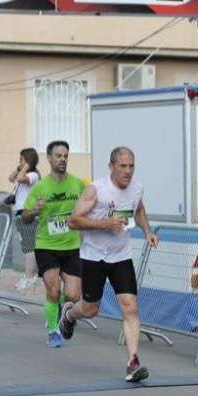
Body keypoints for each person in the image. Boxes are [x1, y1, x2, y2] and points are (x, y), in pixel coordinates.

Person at [58, 146, 159, 383]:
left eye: (131, 166)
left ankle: (132, 363)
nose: (128, 171)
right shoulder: (97, 190)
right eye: (123, 166)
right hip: (94, 256)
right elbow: (73, 221)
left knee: (130, 306)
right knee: (90, 310)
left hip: (121, 256)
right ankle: (70, 314)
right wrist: (105, 224)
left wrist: (147, 231)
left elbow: (139, 209)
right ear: (111, 166)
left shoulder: (136, 188)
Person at [21, 141, 86, 349]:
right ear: (49, 158)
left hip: (71, 245)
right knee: (54, 290)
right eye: (58, 156)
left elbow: (90, 203)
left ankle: (63, 314)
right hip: (47, 245)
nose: (63, 159)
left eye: (65, 156)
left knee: (74, 295)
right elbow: (24, 217)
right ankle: (52, 331)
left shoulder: (78, 184)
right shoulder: (41, 187)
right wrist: (34, 211)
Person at [8, 148, 41, 293]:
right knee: (26, 246)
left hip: (26, 213)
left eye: (22, 159)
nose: (19, 162)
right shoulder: (23, 173)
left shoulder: (33, 175)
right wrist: (19, 167)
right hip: (19, 213)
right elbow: (11, 178)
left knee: (29, 246)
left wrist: (27, 166)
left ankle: (29, 276)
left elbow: (21, 179)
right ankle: (28, 275)